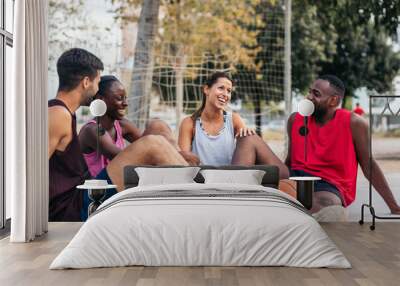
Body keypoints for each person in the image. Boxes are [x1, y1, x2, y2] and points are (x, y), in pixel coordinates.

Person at [49, 48, 189, 222]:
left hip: (83, 194)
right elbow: (31, 169)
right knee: (153, 145)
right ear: (86, 82)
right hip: (74, 207)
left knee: (156, 128)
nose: (96, 90)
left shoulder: (64, 112)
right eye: (97, 82)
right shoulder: (58, 114)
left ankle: (196, 191)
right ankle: (204, 196)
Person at [285, 74, 400, 215]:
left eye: (316, 94)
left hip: (328, 185)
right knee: (252, 140)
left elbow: (368, 165)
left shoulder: (355, 123)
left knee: (321, 206)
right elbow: (289, 160)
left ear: (333, 100)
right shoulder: (294, 119)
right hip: (295, 177)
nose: (308, 97)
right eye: (309, 91)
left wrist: (394, 206)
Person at [178, 71, 289, 179]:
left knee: (249, 137)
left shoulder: (233, 119)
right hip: (203, 178)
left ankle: (285, 175)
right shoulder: (189, 123)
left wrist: (246, 131)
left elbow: (246, 149)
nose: (225, 94)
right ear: (206, 89)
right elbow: (184, 162)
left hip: (230, 177)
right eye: (221, 88)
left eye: (229, 91)